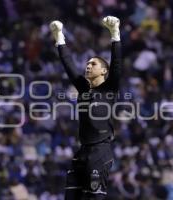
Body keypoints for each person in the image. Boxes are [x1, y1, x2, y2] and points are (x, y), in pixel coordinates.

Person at [49, 16, 122, 200]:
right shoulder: (83, 88)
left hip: (100, 151)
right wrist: (59, 38)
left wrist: (115, 33)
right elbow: (69, 64)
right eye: (87, 63)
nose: (88, 66)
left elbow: (117, 64)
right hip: (83, 151)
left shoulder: (109, 88)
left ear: (104, 71)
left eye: (93, 64)